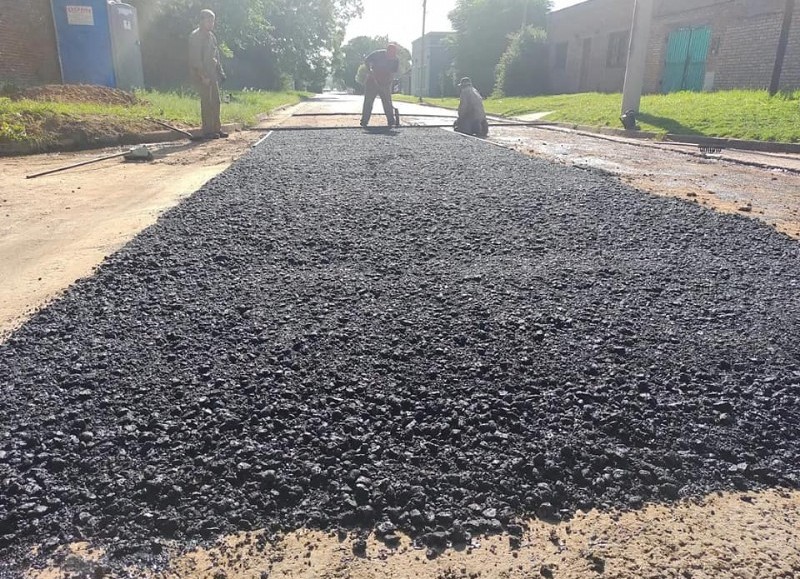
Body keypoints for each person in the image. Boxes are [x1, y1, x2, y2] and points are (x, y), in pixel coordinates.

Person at [189, 9, 228, 139]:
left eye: (213, 21)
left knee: (216, 101)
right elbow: (195, 59)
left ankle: (217, 128)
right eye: (209, 20)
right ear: (202, 21)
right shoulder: (196, 36)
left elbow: (216, 56)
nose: (211, 23)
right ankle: (208, 130)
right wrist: (202, 76)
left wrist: (220, 72)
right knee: (207, 102)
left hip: (212, 74)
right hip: (202, 74)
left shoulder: (212, 37)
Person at [361, 44, 400, 128]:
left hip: (385, 83)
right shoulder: (378, 54)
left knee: (387, 102)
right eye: (391, 53)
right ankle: (364, 121)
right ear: (387, 51)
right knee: (368, 102)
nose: (392, 55)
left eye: (394, 54)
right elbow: (366, 60)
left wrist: (388, 82)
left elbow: (393, 73)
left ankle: (391, 121)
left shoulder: (395, 60)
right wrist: (370, 70)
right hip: (372, 81)